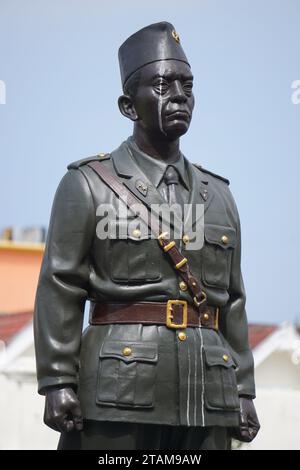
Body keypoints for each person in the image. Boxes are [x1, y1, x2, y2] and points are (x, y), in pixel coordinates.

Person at [34, 21, 260, 450]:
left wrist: (244, 390)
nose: (179, 95)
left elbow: (233, 302)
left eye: (187, 85)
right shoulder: (88, 185)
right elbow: (60, 285)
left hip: (206, 394)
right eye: (162, 84)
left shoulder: (221, 197)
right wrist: (57, 380)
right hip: (116, 392)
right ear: (128, 105)